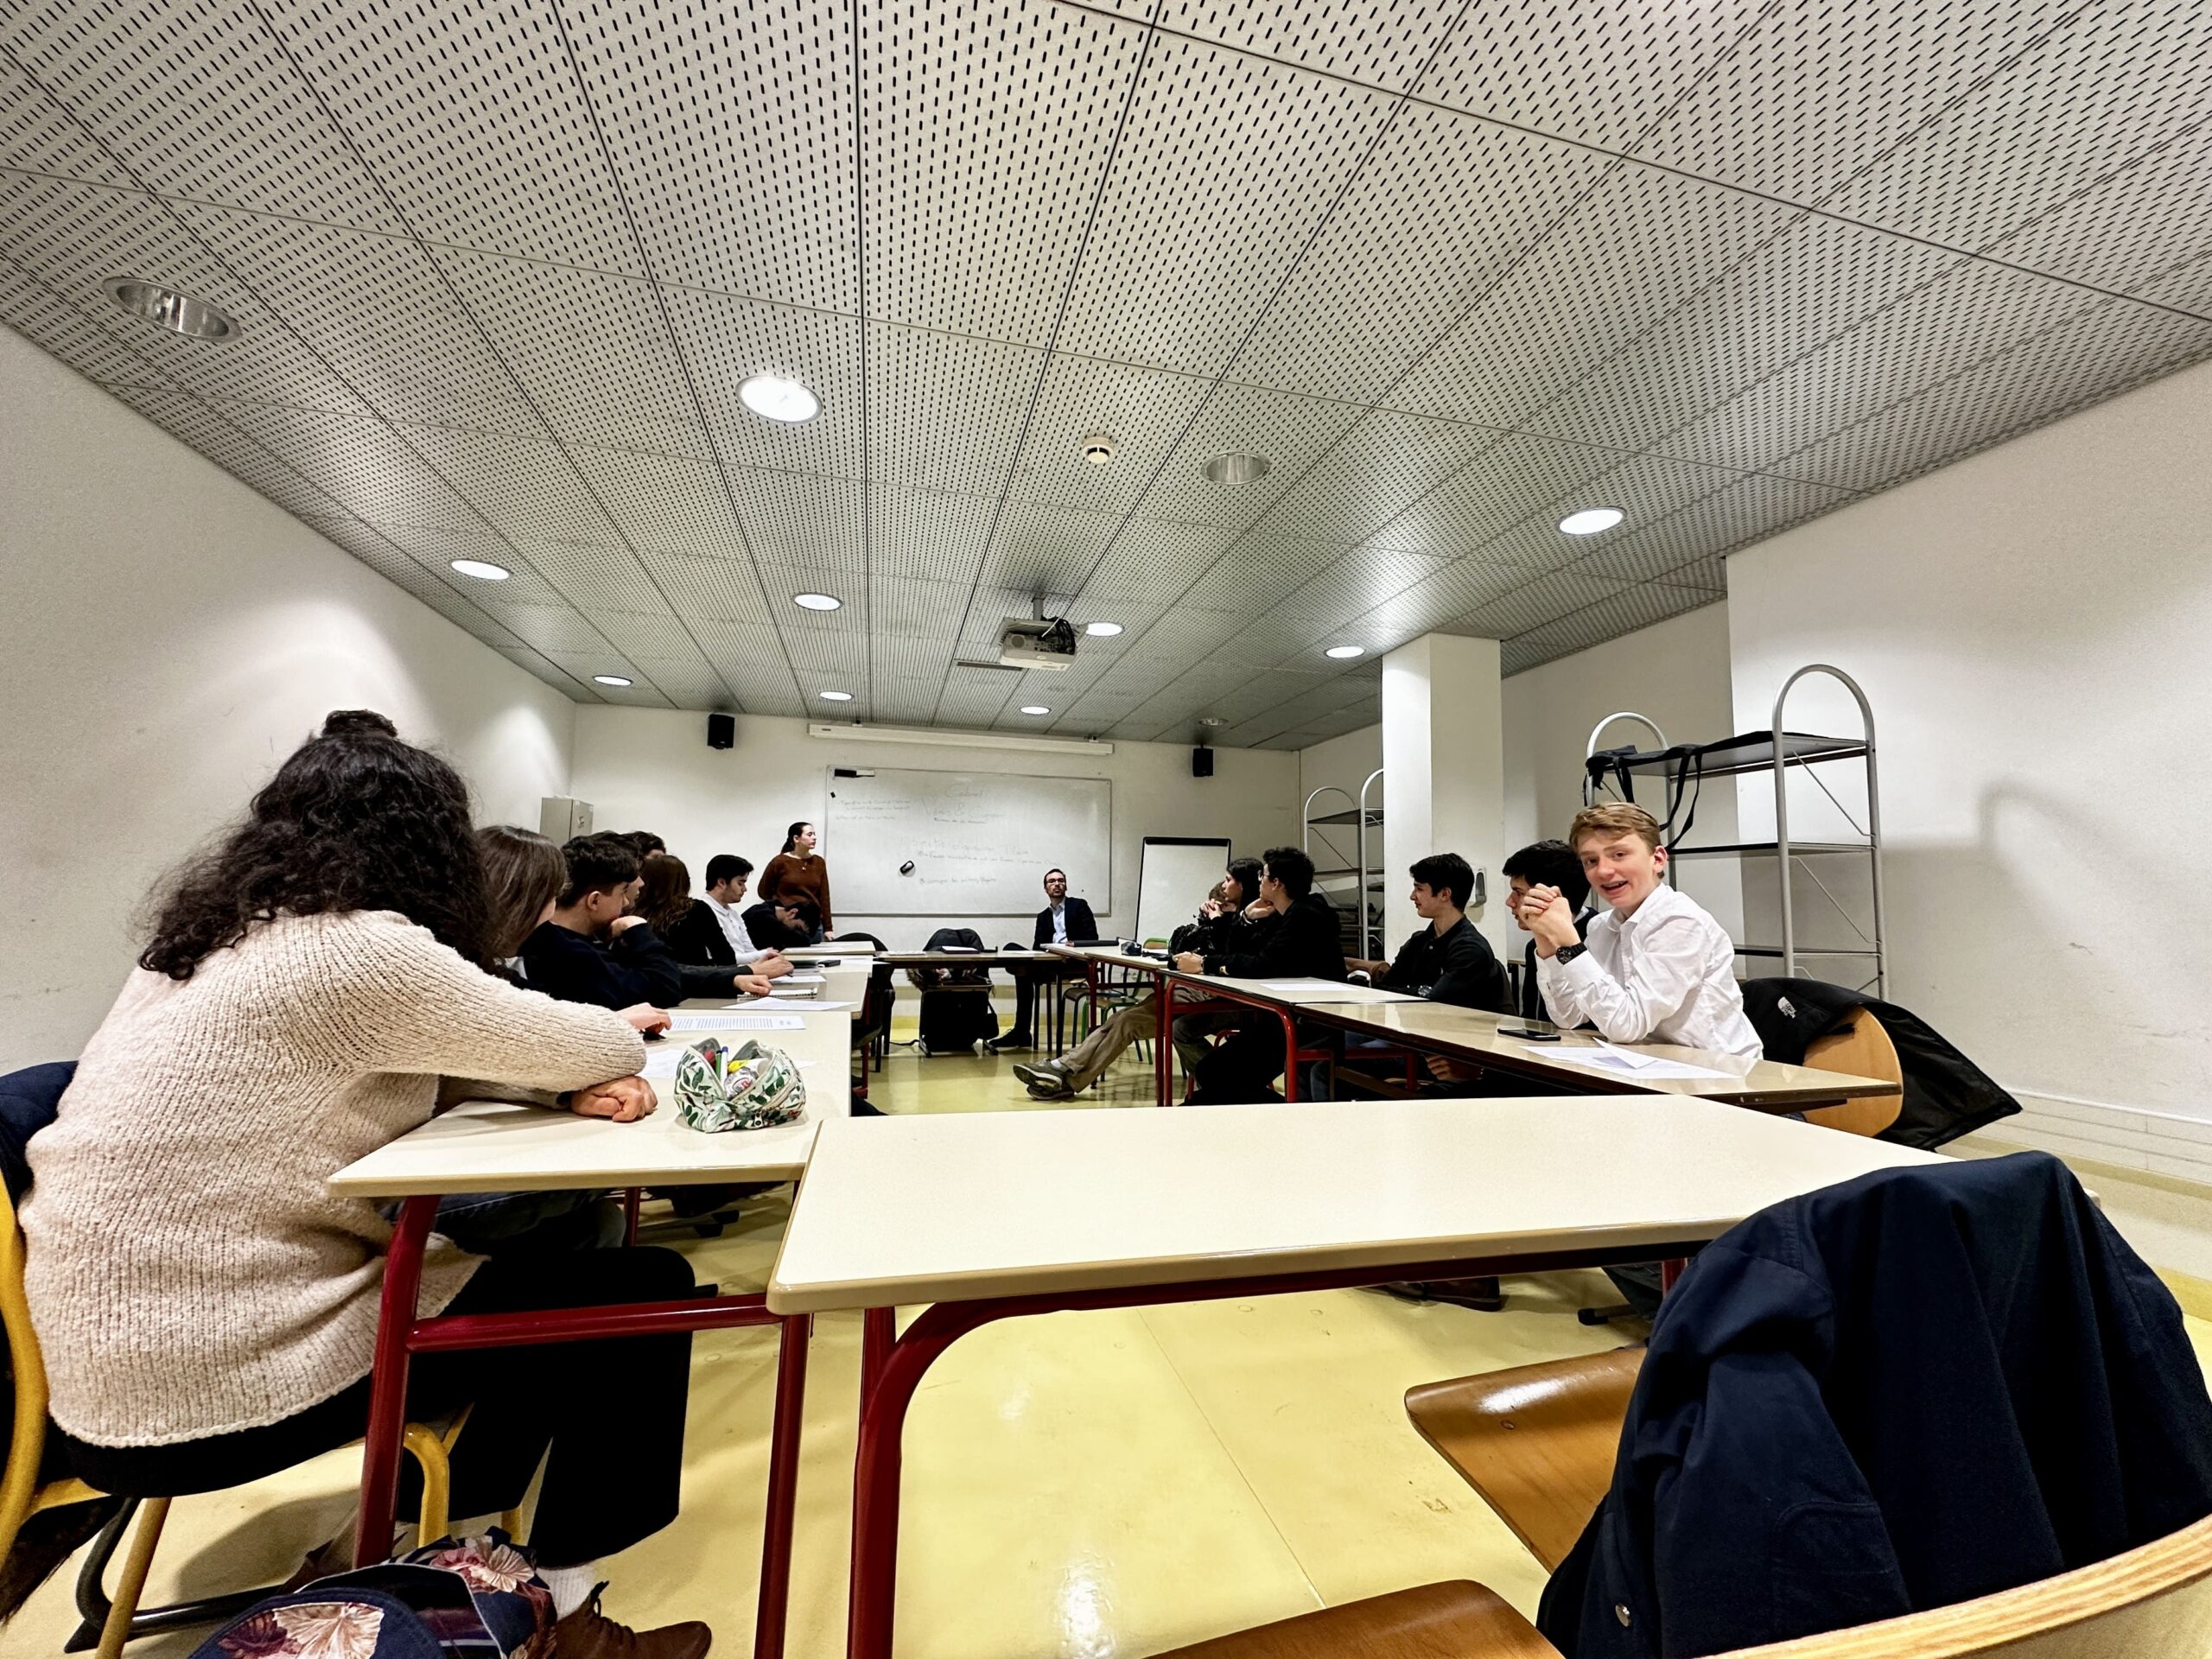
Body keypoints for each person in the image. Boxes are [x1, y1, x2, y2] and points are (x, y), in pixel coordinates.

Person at [18, 715, 713, 1656]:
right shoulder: (358, 949)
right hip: (214, 1372)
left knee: (537, 1288)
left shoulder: (206, 942)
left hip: (107, 1366)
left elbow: (424, 1068)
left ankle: (418, 1554)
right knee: (640, 1297)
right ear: (432, 849)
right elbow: (597, 1039)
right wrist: (573, 1073)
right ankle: (559, 1611)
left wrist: (544, 1083)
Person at [1527, 803, 1760, 1057]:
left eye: (1619, 854)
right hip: (1651, 1063)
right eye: (1591, 860)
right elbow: (1569, 1017)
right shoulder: (1601, 927)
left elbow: (1626, 1026)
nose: (1603, 870)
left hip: (1721, 1069)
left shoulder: (1680, 922)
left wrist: (1571, 944)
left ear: (1657, 859)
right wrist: (1547, 939)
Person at [1014, 861, 1262, 1098]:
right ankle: (1063, 1071)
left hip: (1211, 997)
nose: (1223, 889)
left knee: (1128, 1021)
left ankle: (1063, 1073)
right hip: (1189, 989)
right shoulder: (1225, 923)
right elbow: (1182, 950)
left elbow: (1229, 958)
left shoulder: (1245, 924)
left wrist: (1219, 922)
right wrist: (1206, 924)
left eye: (1228, 882)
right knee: (1122, 1018)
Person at [1320, 853, 1507, 1099]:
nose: (1412, 896)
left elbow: (1435, 1006)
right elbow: (1385, 990)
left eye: (1419, 889)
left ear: (1445, 894)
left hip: (1439, 1051)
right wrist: (1419, 991)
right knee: (1320, 1047)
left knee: (1325, 1067)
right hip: (1406, 1034)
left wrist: (1416, 993)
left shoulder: (1470, 949)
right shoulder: (1420, 941)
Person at [1178, 846, 1346, 1104]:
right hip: (1279, 1014)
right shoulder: (1283, 912)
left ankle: (1276, 1112)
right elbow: (1240, 954)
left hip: (1307, 1022)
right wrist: (1245, 918)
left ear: (1276, 883)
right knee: (1212, 1072)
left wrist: (1205, 963)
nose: (1259, 881)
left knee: (1215, 1074)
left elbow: (1260, 964)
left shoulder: (1305, 915)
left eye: (1263, 876)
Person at [519, 835, 697, 1008]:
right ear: (594, 901)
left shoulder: (559, 939)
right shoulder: (570, 954)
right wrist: (639, 930)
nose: (625, 902)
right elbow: (665, 988)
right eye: (622, 892)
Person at [634, 851, 779, 1000]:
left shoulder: (634, 915)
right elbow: (726, 958)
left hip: (651, 994)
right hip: (697, 989)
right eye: (740, 882)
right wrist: (751, 969)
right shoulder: (695, 909)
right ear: (685, 882)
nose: (744, 889)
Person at [987, 868, 1098, 1053]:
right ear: (1046, 888)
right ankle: (1022, 1031)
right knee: (1012, 950)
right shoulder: (1043, 916)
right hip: (1049, 962)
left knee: (1023, 972)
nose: (1057, 884)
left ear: (1066, 885)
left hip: (1073, 962)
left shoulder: (1079, 906)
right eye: (1052, 881)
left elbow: (1093, 938)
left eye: (1061, 880)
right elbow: (1037, 947)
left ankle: (1021, 1032)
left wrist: (1073, 945)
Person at [1501, 839, 1593, 1023]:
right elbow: (1532, 1018)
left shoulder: (1598, 937)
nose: (1510, 902)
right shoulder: (1533, 947)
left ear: (1552, 894)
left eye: (1519, 892)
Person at [667, 853, 791, 978]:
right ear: (721, 882)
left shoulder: (733, 914)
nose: (745, 889)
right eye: (740, 883)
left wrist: (766, 959)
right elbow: (722, 958)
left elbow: (749, 950)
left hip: (742, 973)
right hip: (723, 976)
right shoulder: (700, 912)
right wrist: (764, 954)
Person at [757, 822, 830, 938]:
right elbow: (763, 891)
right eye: (810, 834)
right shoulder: (780, 861)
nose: (814, 837)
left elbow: (824, 896)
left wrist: (828, 928)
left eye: (814, 834)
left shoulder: (819, 862)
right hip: (786, 923)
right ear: (796, 838)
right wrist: (781, 907)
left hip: (812, 923)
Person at [742, 894, 818, 953]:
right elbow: (802, 940)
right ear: (792, 913)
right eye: (798, 928)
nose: (798, 933)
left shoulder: (770, 912)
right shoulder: (761, 914)